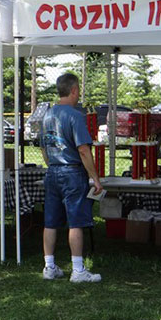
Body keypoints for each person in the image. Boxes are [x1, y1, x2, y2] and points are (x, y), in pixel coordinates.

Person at [40, 73, 104, 283]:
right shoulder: (75, 115)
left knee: (50, 221)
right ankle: (78, 270)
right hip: (72, 172)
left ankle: (49, 266)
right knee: (75, 221)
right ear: (74, 90)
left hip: (53, 171)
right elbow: (84, 150)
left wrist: (52, 165)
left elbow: (43, 147)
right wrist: (95, 177)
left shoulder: (47, 115)